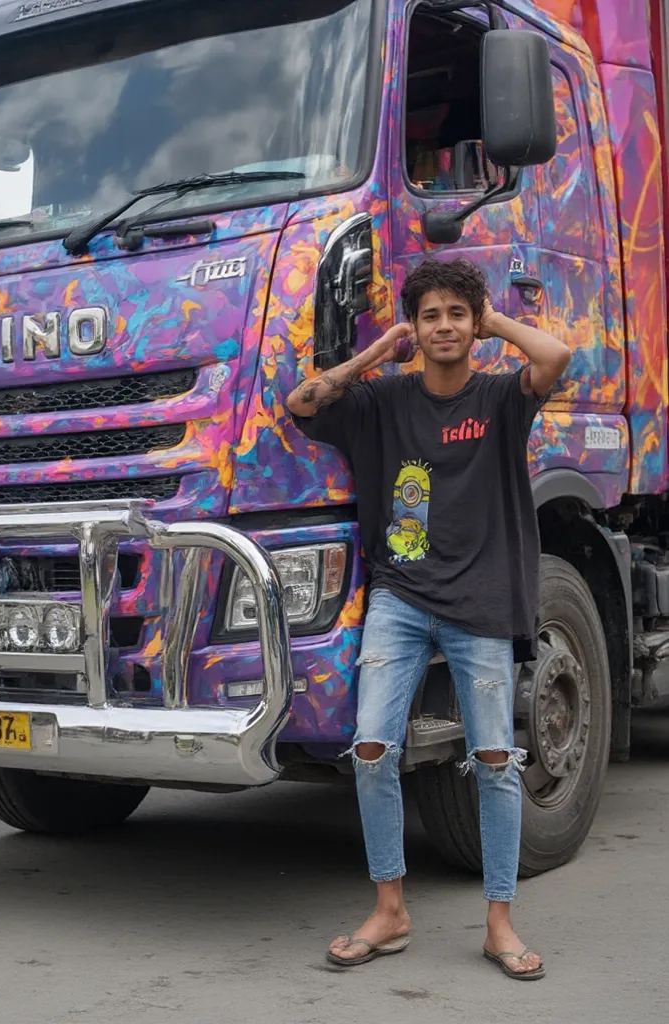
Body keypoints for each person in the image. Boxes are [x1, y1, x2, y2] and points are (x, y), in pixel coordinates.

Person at [286, 258, 571, 980]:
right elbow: (303, 402)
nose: (443, 326)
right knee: (372, 748)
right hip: (402, 600)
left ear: (471, 325)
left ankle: (499, 923)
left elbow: (556, 357)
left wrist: (491, 316)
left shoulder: (502, 396)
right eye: (431, 315)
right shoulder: (385, 400)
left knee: (496, 763)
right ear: (414, 325)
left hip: (479, 603)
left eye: (456, 314)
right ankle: (390, 911)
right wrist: (380, 352)